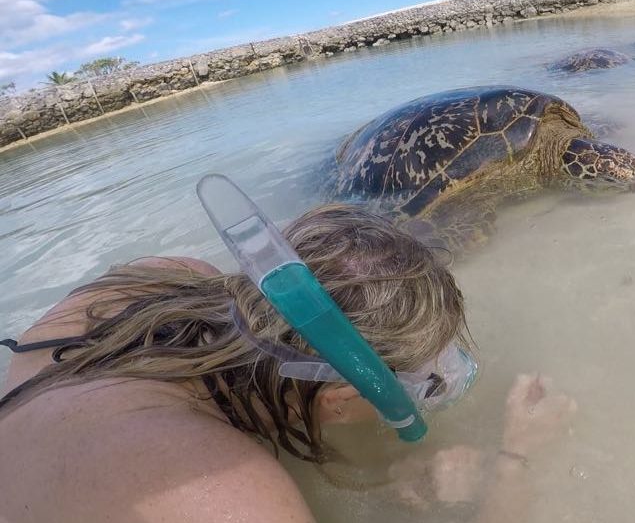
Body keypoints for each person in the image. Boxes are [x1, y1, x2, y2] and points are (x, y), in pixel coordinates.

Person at [0, 203, 576, 523]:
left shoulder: (159, 276)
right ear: (340, 399)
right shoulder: (231, 501)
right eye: (427, 384)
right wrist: (515, 460)